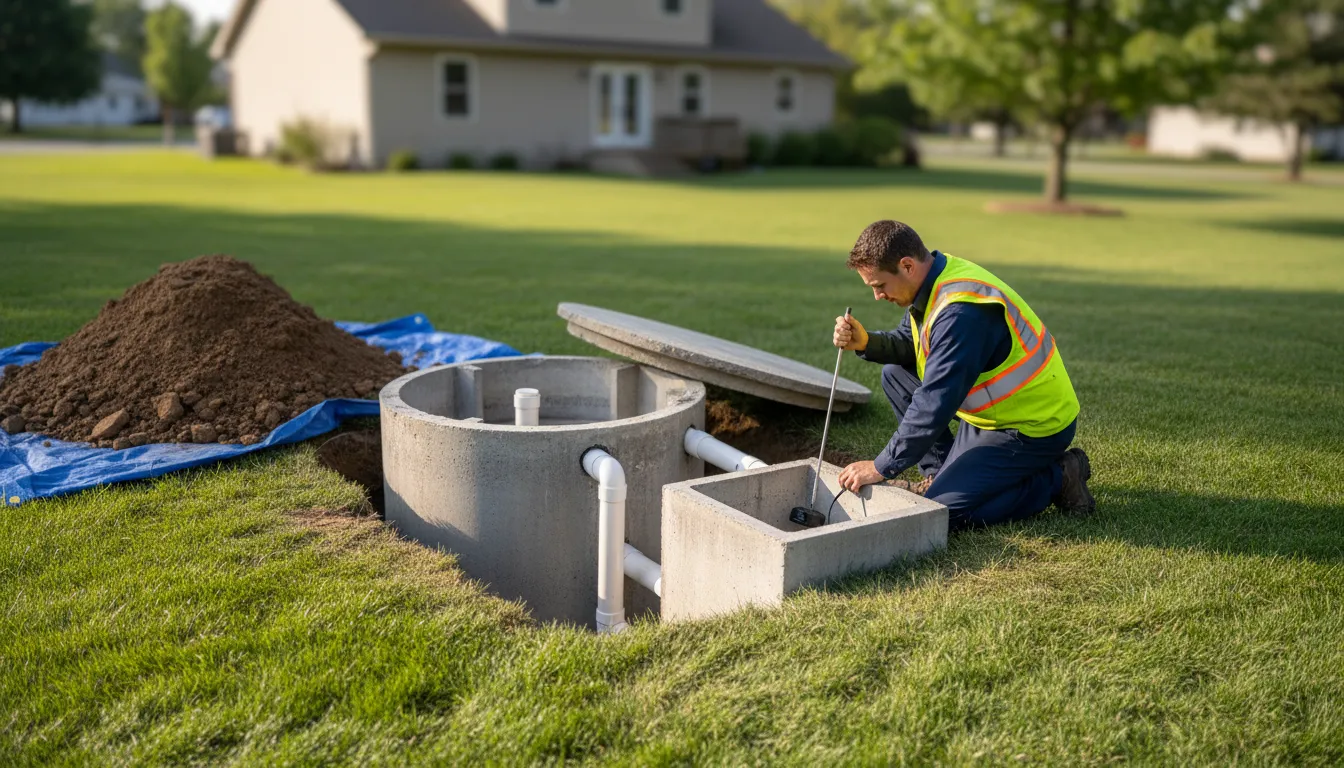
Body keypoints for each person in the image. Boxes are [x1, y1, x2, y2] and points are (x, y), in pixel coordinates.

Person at [834, 220, 1094, 529]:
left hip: (1031, 426)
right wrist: (867, 342)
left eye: (879, 285)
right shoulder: (935, 280)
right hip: (989, 416)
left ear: (907, 266)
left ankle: (1060, 476)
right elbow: (910, 344)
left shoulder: (961, 312)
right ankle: (939, 476)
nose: (877, 295)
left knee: (943, 514)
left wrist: (880, 467)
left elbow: (934, 402)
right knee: (896, 374)